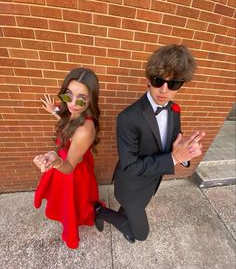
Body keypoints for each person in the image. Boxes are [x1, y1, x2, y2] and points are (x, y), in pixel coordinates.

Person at [94, 44, 206, 243]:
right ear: (148, 79)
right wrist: (173, 158)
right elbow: (130, 167)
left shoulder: (174, 109)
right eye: (158, 81)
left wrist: (185, 154)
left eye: (173, 84)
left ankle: (124, 216)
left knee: (132, 211)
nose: (164, 90)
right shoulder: (128, 118)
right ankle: (101, 212)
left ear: (181, 85)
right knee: (141, 234)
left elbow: (175, 141)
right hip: (131, 186)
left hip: (151, 184)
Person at [33, 68, 103, 249]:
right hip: (68, 162)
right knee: (71, 204)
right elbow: (69, 119)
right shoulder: (75, 112)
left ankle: (94, 217)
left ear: (90, 100)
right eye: (68, 95)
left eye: (81, 99)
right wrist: (53, 111)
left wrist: (55, 160)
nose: (72, 103)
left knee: (72, 206)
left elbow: (70, 166)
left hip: (72, 171)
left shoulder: (84, 130)